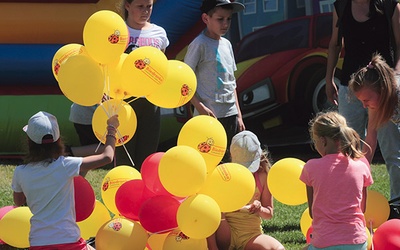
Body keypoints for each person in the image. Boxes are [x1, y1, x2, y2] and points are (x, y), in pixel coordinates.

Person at [69, 0, 169, 171]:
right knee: (124, 158)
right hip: (122, 102)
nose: (145, 11)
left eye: (149, 6)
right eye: (140, 6)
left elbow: (162, 67)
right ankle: (124, 191)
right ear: (128, 6)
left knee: (147, 156)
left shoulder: (159, 33)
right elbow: (100, 62)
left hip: (150, 102)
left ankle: (143, 194)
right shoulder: (115, 30)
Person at [11, 111, 119, 249]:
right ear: (58, 141)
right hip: (69, 241)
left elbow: (18, 201)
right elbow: (107, 157)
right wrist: (112, 128)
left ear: (29, 142)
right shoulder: (65, 165)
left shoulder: (20, 172)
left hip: (38, 243)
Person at [325, 0, 400, 141]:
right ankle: (358, 165)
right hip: (350, 87)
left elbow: (399, 45)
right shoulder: (341, 6)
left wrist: (396, 76)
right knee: (350, 144)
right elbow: (335, 45)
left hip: (383, 88)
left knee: (391, 147)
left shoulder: (389, 5)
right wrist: (329, 79)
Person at [300, 111, 373, 250]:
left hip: (324, 243)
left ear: (323, 141)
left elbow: (312, 212)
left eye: (315, 141)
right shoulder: (361, 167)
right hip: (357, 242)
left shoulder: (310, 167)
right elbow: (362, 208)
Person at [184, 0, 246, 163]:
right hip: (208, 116)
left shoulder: (227, 44)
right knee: (209, 161)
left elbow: (232, 83)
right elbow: (184, 82)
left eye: (229, 19)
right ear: (206, 18)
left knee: (230, 161)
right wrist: (200, 106)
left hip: (231, 114)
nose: (225, 24)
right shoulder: (199, 44)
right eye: (220, 19)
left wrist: (239, 115)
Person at [207, 130, 285, 250]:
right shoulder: (222, 175)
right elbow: (208, 214)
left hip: (250, 234)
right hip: (225, 228)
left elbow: (269, 213)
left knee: (278, 249)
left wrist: (259, 209)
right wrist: (213, 247)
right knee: (218, 215)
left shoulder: (263, 176)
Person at [349, 53, 400, 218]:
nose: (364, 106)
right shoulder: (376, 104)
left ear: (382, 89)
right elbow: (370, 138)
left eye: (367, 100)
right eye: (361, 101)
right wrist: (361, 169)